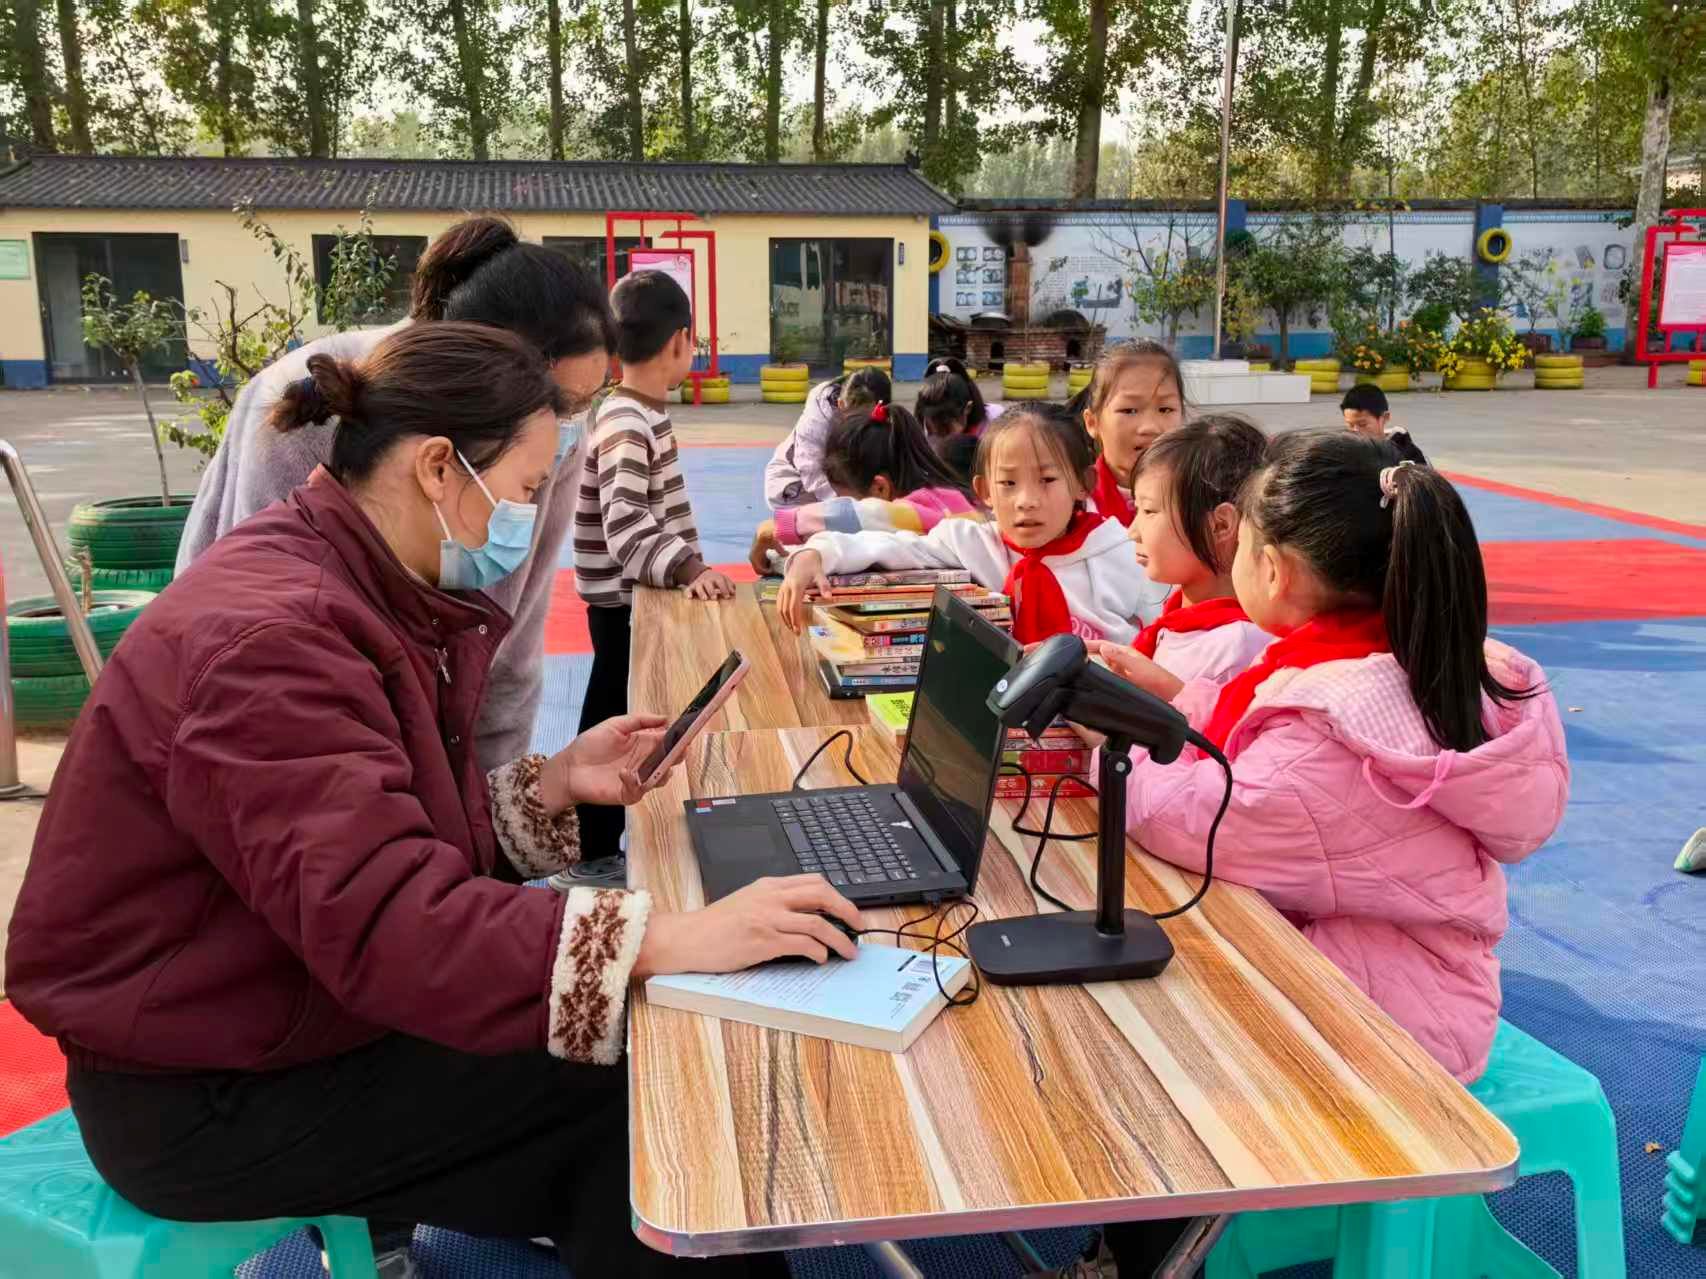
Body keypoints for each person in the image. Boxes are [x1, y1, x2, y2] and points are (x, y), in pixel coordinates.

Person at [5, 323, 860, 1279]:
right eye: (527, 490)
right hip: (204, 1092)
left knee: (625, 1065)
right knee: (640, 1087)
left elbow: (372, 849)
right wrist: (668, 937)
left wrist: (552, 784)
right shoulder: (275, 643)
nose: (530, 520)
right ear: (439, 467)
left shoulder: (339, 578)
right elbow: (390, 924)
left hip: (269, 1007)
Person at [1065, 435, 1569, 1278]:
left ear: (1277, 571)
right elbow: (1258, 759)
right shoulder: (1392, 661)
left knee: (1143, 1046)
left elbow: (1197, 818)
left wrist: (1105, 748)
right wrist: (1172, 699)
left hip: (1390, 1024)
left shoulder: (1322, 736)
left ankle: (1149, 1255)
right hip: (1388, 967)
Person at [176, 215, 615, 774]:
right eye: (557, 404)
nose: (563, 435)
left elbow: (509, 653)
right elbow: (259, 661)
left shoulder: (550, 442)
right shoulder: (315, 413)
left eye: (581, 406)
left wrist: (501, 802)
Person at [572, 270, 736, 873]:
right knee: (612, 723)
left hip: (633, 602)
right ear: (680, 341)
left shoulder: (639, 413)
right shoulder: (627, 421)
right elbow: (625, 523)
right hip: (621, 608)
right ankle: (593, 851)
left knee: (622, 715)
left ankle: (601, 840)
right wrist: (688, 567)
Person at [777, 407, 1165, 645]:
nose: (1026, 500)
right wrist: (818, 553)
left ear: (1083, 483)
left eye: (1047, 480)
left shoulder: (1124, 553)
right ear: (984, 492)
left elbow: (1164, 635)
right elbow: (895, 545)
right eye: (1008, 483)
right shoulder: (974, 543)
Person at [748, 399, 980, 574]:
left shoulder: (919, 510)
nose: (838, 503)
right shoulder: (950, 498)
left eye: (844, 498)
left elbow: (864, 514)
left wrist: (779, 526)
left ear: (880, 489)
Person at [1124, 415, 1274, 683]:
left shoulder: (1238, 646)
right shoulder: (1182, 621)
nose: (1132, 532)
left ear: (1220, 524)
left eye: (1148, 511)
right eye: (1136, 509)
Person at [1080, 340, 1187, 527]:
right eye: (1129, 410)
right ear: (1092, 423)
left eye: (1165, 409)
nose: (1150, 427)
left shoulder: (1205, 500)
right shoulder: (1074, 506)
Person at [763, 366, 891, 509]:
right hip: (793, 487)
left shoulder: (886, 416)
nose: (858, 425)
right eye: (854, 418)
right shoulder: (817, 422)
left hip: (843, 486)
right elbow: (811, 469)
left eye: (864, 418)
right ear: (840, 404)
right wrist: (846, 507)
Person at [917, 357, 1003, 487]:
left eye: (945, 429)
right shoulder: (922, 432)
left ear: (967, 409)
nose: (941, 439)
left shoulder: (995, 423)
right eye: (932, 429)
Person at [1341, 382, 1427, 464]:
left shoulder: (1407, 455)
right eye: (1350, 425)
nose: (1355, 431)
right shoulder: (1342, 453)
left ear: (1385, 417)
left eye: (1362, 424)